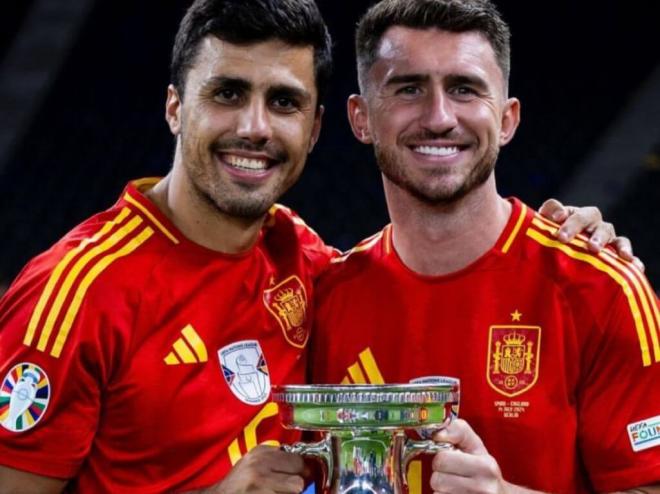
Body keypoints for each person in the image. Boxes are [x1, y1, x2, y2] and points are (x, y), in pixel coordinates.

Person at [0, 0, 641, 493]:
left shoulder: (308, 266)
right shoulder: (73, 293)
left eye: (283, 101)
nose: (254, 127)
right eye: (227, 93)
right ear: (174, 107)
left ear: (317, 128)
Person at [310, 0, 660, 493]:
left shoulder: (602, 290)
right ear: (361, 117)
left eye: (464, 89)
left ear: (507, 119)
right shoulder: (323, 298)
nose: (439, 117)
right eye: (409, 88)